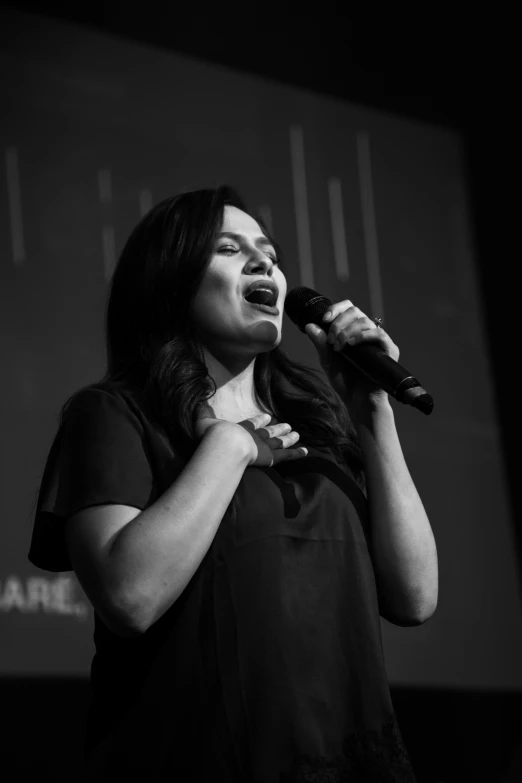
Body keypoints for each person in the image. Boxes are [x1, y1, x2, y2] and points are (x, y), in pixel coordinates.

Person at [29, 185, 438, 782]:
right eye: (228, 248)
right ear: (171, 280)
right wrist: (228, 444)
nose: (262, 261)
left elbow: (415, 597)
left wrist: (373, 409)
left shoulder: (318, 434)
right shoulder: (115, 415)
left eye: (268, 251)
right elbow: (129, 597)